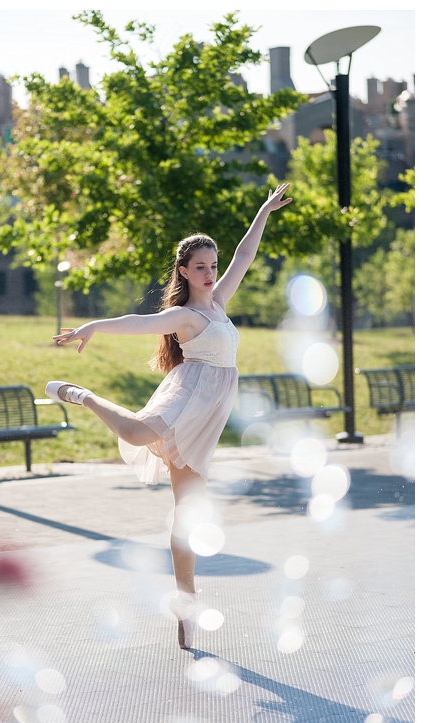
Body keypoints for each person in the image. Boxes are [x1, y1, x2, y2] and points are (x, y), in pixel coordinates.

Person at [47, 183, 292, 649]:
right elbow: (138, 323)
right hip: (187, 397)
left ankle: (185, 605)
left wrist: (263, 210)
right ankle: (82, 396)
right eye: (199, 266)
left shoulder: (218, 304)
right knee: (139, 435)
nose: (209, 272)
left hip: (207, 416)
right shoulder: (184, 316)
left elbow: (244, 254)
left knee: (188, 516)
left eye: (211, 266)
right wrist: (93, 327)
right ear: (183, 270)